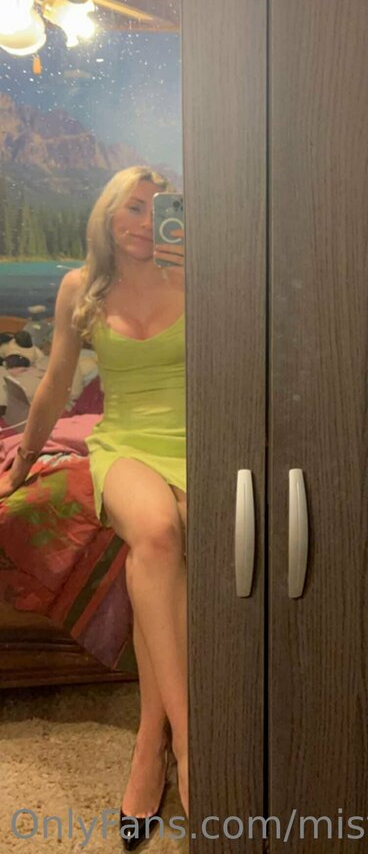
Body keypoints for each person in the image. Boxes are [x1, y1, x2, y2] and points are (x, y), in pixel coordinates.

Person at [0, 165, 188, 847]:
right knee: (158, 530)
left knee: (155, 562)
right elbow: (54, 382)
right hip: (127, 443)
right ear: (108, 214)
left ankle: (149, 740)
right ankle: (193, 743)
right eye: (132, 207)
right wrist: (23, 460)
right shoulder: (82, 286)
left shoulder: (196, 273)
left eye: (157, 208)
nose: (143, 222)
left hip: (200, 439)